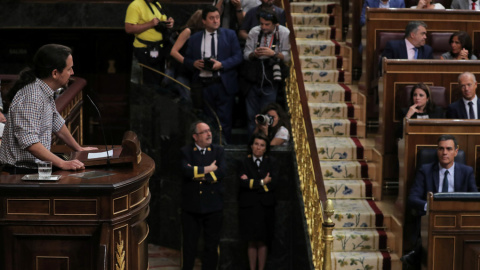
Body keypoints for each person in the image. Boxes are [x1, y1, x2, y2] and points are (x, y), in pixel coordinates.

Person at [0, 44, 97, 174]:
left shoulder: (44, 90)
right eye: (69, 69)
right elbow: (30, 143)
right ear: (55, 73)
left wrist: (78, 148)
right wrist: (62, 163)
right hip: (21, 172)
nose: (72, 73)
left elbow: (56, 123)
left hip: (35, 167)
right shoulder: (32, 97)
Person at [402, 134, 478, 268]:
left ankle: (415, 255)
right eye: (441, 149)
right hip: (432, 217)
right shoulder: (425, 170)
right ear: (437, 150)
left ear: (456, 151)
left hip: (458, 219)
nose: (444, 153)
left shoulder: (467, 172)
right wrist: (429, 206)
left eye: (449, 149)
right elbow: (412, 198)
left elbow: (475, 198)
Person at [184, 5, 243, 143]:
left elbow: (238, 57)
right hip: (203, 86)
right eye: (212, 18)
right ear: (204, 21)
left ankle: (225, 149)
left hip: (223, 84)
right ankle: (209, 149)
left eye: (217, 17)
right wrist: (194, 63)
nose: (216, 21)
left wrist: (221, 64)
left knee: (225, 121)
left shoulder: (230, 35)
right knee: (206, 121)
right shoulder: (194, 39)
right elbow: (187, 59)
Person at [180, 121, 226, 270]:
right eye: (204, 132)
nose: (209, 134)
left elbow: (221, 172)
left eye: (209, 131)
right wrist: (209, 168)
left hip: (213, 207)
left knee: (211, 246)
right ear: (195, 136)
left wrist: (200, 175)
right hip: (191, 207)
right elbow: (185, 171)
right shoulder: (186, 151)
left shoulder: (218, 151)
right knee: (189, 246)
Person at [243, 10, 290, 136]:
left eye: (267, 24)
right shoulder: (254, 31)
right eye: (262, 24)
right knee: (251, 116)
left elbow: (288, 56)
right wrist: (254, 54)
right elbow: (246, 55)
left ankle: (265, 145)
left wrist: (273, 53)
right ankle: (252, 145)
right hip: (254, 76)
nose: (263, 27)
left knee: (267, 116)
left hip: (271, 77)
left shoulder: (284, 32)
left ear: (276, 24)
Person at [238, 133, 277, 270]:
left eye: (262, 145)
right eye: (256, 144)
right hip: (249, 206)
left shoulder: (271, 162)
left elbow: (273, 183)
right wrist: (262, 182)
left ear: (266, 148)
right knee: (251, 240)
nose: (258, 148)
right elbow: (242, 183)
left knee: (263, 240)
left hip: (265, 206)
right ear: (251, 145)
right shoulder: (244, 162)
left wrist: (252, 183)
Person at [125, 0, 175, 87]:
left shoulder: (157, 4)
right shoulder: (135, 5)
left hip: (159, 49)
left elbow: (160, 23)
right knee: (148, 83)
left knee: (159, 81)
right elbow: (129, 28)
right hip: (144, 50)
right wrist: (150, 24)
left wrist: (169, 23)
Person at [169, 9, 204, 103]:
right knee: (186, 98)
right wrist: (189, 62)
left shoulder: (203, 33)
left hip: (194, 71)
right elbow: (173, 52)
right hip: (183, 69)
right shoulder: (188, 31)